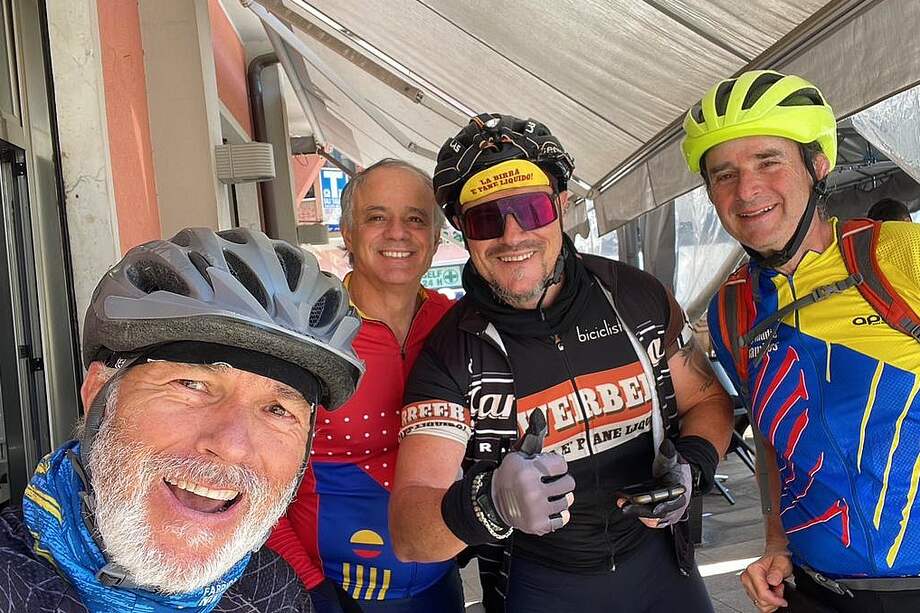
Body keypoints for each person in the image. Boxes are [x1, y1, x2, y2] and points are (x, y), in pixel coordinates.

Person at [389, 114, 733, 613]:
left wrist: (693, 465)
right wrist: (488, 504)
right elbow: (409, 532)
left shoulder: (635, 297)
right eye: (485, 219)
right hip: (540, 584)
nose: (512, 236)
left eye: (531, 209)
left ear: (561, 206)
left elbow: (705, 398)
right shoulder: (451, 354)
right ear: (463, 231)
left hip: (660, 566)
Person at [0, 227, 364, 612]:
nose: (232, 446)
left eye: (278, 410)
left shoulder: (271, 593)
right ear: (98, 395)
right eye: (192, 385)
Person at [682, 69, 920, 612]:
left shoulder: (899, 255)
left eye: (768, 161)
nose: (747, 190)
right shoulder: (732, 307)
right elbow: (773, 436)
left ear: (817, 166)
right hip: (817, 590)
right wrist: (775, 542)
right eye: (724, 174)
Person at [268, 159, 461, 612]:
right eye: (377, 217)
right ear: (348, 233)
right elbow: (255, 474)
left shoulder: (457, 324)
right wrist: (311, 588)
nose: (398, 233)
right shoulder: (305, 331)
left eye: (415, 219)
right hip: (332, 593)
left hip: (441, 585)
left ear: (436, 239)